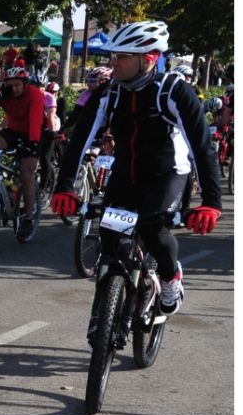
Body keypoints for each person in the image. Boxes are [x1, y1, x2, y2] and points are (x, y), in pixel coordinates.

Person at [51, 20, 221, 320]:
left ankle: (170, 278)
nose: (113, 62)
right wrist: (64, 186)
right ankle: (107, 308)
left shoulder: (173, 91)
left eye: (123, 56)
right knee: (109, 232)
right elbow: (81, 139)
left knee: (152, 230)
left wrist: (210, 203)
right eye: (112, 55)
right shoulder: (109, 93)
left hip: (168, 173)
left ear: (150, 57)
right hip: (126, 174)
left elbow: (201, 146)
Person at [0, 66, 45, 239]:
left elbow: (35, 121)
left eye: (17, 85)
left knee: (26, 173)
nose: (14, 89)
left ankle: (27, 217)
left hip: (33, 133)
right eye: (10, 85)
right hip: (13, 131)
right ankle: (2, 187)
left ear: (25, 84)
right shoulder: (3, 93)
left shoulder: (34, 94)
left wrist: (33, 145)